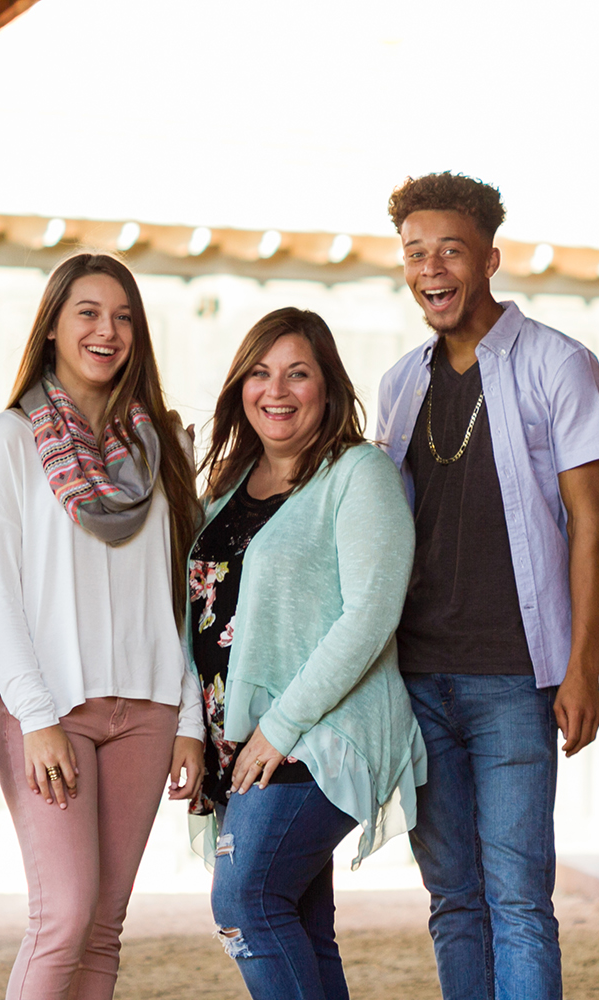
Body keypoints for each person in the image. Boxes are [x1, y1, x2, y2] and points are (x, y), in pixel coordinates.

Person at [374, 172, 599, 998]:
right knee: (452, 898)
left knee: (518, 898)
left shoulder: (561, 364)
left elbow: (590, 525)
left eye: (449, 250)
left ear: (488, 260)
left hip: (515, 677)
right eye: (414, 252)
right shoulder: (400, 384)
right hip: (417, 677)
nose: (430, 267)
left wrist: (581, 667)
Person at [0, 252, 206, 1000]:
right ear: (51, 329)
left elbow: (184, 596)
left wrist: (191, 720)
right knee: (63, 915)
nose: (108, 331)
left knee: (104, 925)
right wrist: (34, 718)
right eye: (88, 313)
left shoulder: (160, 447)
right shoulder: (11, 439)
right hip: (51, 709)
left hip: (147, 708)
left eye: (124, 317)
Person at [191, 307, 427, 1000]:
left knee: (245, 903)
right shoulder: (229, 485)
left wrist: (280, 725)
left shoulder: (359, 474)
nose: (278, 390)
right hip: (243, 740)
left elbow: (372, 613)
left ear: (328, 385)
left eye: (299, 373)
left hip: (319, 735)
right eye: (261, 373)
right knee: (298, 920)